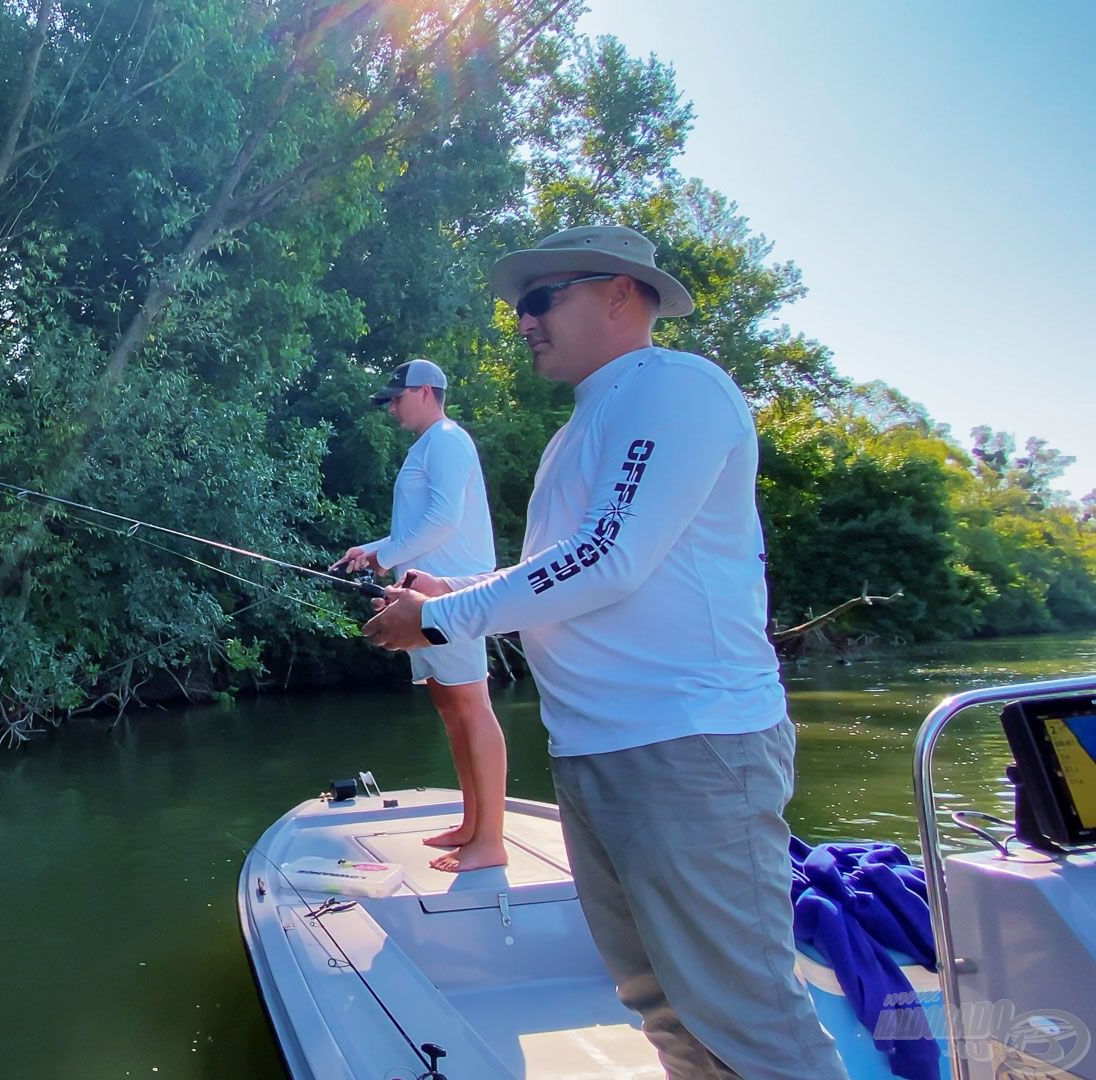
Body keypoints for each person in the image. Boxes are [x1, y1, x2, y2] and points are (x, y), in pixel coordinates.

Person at [362, 225, 847, 1079]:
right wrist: (451, 595)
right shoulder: (586, 422)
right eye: (521, 307)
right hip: (596, 754)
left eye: (541, 301)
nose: (523, 323)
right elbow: (572, 559)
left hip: (687, 749)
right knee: (658, 1004)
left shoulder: (679, 389)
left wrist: (442, 621)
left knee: (748, 1022)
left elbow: (610, 557)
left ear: (622, 293)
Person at [332, 359, 507, 872]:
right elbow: (419, 525)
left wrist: (386, 558)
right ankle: (472, 822)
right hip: (421, 598)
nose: (390, 407)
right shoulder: (428, 445)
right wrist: (374, 549)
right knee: (451, 710)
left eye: (396, 397)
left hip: (451, 599)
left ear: (426, 391)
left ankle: (490, 841)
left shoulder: (448, 440)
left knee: (472, 708)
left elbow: (444, 519)